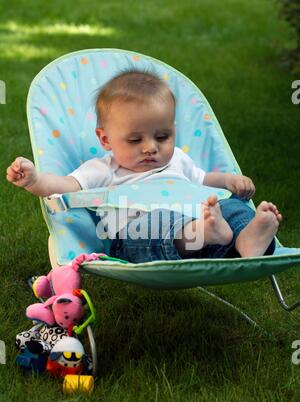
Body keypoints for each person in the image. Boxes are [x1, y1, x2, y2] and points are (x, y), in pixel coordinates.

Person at [6, 70, 282, 263]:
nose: (150, 146)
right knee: (155, 222)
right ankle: (207, 232)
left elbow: (203, 179)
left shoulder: (178, 160)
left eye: (162, 137)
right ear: (105, 139)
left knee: (232, 207)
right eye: (135, 139)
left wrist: (228, 181)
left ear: (173, 131)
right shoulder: (104, 170)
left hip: (210, 239)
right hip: (137, 239)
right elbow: (65, 187)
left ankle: (249, 239)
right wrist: (35, 180)